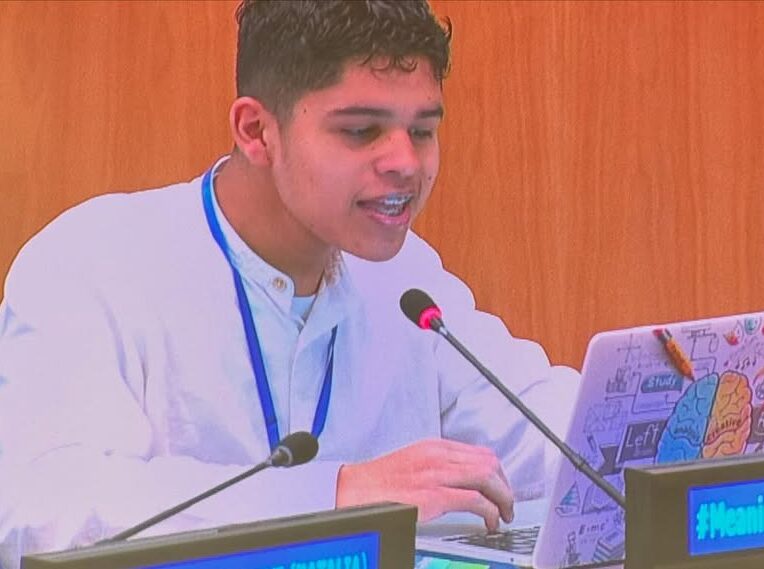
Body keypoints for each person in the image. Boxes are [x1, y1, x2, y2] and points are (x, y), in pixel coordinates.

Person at [0, 1, 578, 565]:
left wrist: (629, 411)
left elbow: (540, 429)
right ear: (256, 131)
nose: (406, 163)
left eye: (423, 131)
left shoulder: (406, 278)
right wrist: (337, 493)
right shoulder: (94, 261)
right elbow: (44, 508)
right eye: (361, 131)